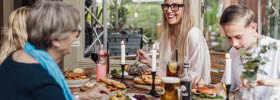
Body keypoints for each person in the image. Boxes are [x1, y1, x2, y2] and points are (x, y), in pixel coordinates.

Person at [0, 1, 109, 100]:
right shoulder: (44, 81)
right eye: (75, 30)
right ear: (56, 39)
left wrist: (84, 95)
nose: (77, 35)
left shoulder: (16, 57)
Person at [137, 0, 211, 84]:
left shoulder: (193, 35)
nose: (169, 10)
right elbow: (165, 69)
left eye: (175, 6)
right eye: (166, 6)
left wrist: (166, 76)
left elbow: (196, 79)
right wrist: (151, 62)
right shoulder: (166, 35)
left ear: (185, 9)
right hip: (167, 91)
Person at [220, 5, 280, 99]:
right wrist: (202, 86)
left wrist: (265, 80)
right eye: (229, 38)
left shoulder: (276, 49)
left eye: (238, 37)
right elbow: (225, 86)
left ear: (253, 27)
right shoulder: (233, 52)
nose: (234, 44)